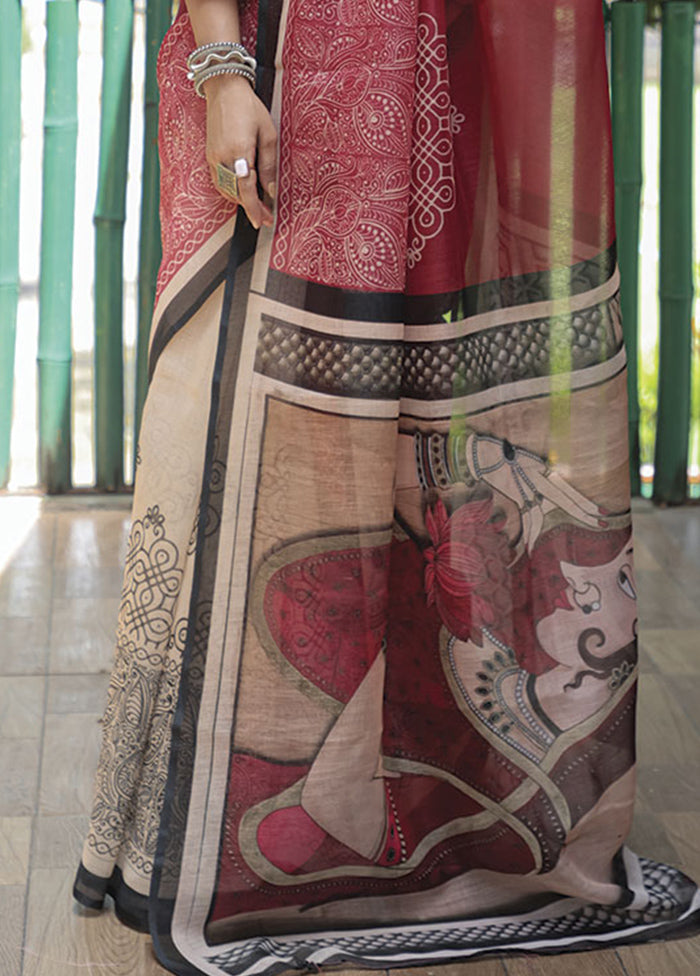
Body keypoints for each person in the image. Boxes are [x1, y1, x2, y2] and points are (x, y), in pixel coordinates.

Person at [74, 0, 700, 972]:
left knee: (403, 423)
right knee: (211, 432)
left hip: (448, 60)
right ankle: (180, 841)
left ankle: (397, 836)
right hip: (275, 64)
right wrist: (221, 64)